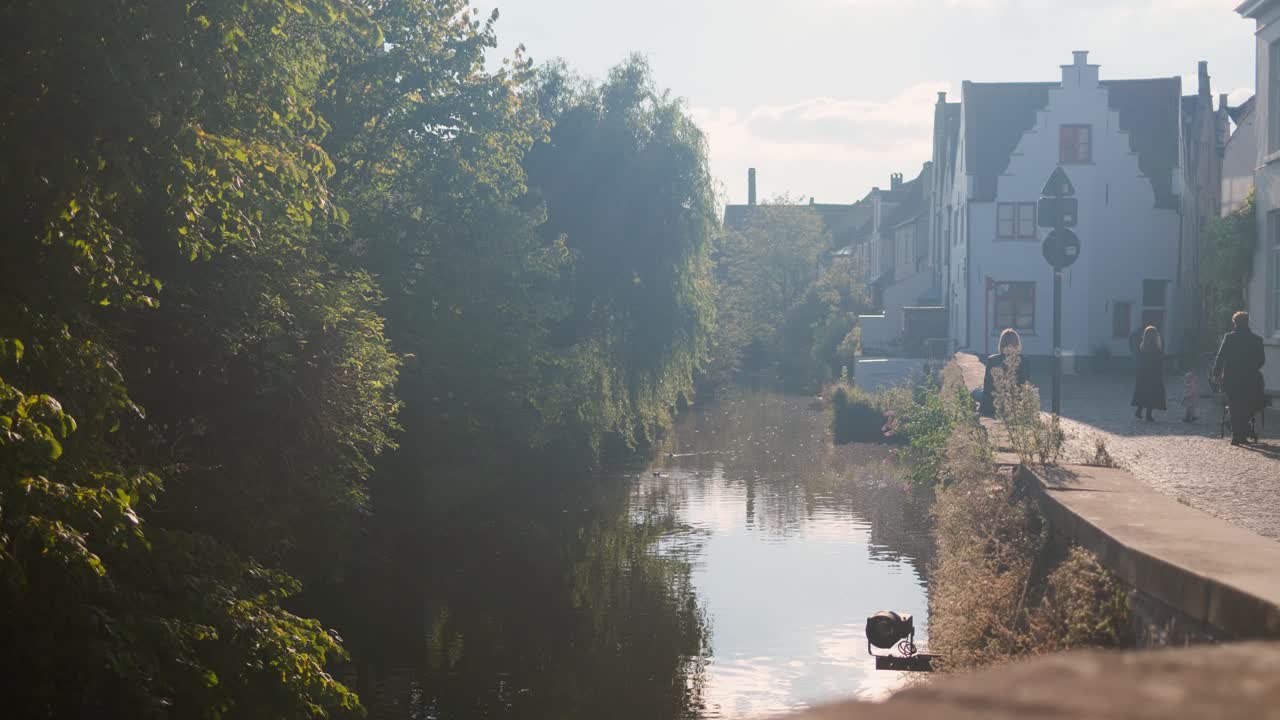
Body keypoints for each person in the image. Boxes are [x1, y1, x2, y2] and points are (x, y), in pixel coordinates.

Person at [1212, 311, 1266, 446]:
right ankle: (1243, 430)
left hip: (1232, 378)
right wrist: (1251, 366)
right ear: (1248, 322)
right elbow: (1261, 360)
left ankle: (1237, 435)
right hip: (1251, 379)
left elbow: (1220, 356)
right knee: (1251, 404)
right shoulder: (1256, 339)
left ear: (1234, 323)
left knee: (1234, 406)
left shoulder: (1229, 338)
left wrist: (1216, 374)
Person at [978, 328, 1029, 417]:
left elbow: (988, 387)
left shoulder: (992, 360)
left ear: (1001, 343)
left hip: (994, 405)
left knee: (975, 392)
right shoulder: (1024, 361)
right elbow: (1024, 384)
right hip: (1015, 404)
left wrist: (983, 410)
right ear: (1017, 343)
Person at [1131, 325, 1166, 422]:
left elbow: (1140, 361)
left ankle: (1139, 411)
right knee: (1152, 394)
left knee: (1144, 393)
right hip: (1153, 374)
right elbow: (1158, 362)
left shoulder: (1142, 347)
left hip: (1143, 374)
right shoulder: (1155, 347)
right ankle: (1148, 415)